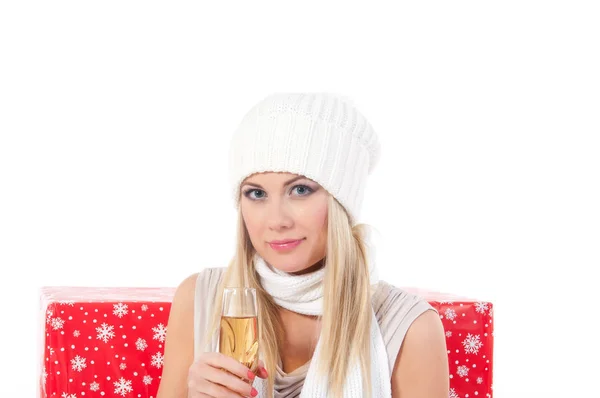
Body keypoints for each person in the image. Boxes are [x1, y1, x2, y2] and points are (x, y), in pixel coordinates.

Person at [156, 93, 449, 398]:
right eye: (256, 194)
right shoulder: (200, 298)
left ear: (341, 202)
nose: (276, 220)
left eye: (299, 190)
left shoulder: (409, 328)